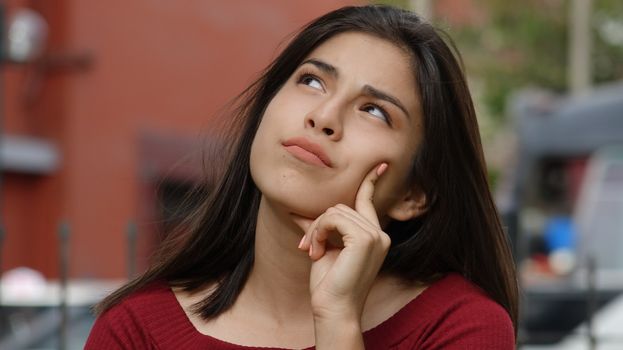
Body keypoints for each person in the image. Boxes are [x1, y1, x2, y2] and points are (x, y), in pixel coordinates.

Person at [86, 5, 518, 349]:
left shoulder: (460, 328)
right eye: (311, 81)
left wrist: (338, 321)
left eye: (374, 110)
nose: (324, 117)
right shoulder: (136, 331)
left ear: (415, 192)